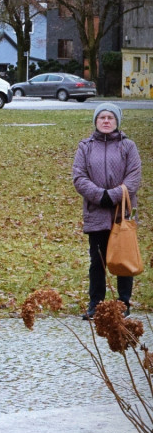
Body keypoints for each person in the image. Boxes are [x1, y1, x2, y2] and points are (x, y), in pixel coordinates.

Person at [72, 102, 142, 318]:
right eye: (101, 117)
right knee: (98, 259)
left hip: (121, 212)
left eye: (110, 118)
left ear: (117, 121)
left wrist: (111, 196)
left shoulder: (128, 146)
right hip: (96, 212)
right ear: (96, 121)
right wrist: (99, 196)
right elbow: (79, 177)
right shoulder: (85, 146)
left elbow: (134, 177)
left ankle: (123, 303)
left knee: (123, 257)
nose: (105, 121)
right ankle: (96, 304)